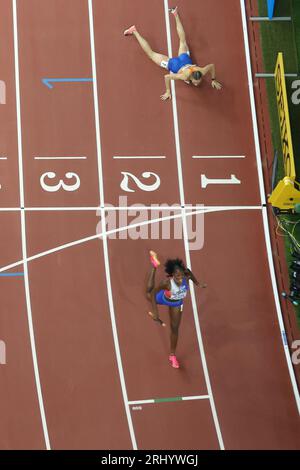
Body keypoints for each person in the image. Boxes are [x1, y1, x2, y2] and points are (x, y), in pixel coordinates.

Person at [124, 6, 222, 101]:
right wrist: (168, 91)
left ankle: (175, 13)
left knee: (183, 41)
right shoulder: (184, 76)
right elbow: (167, 77)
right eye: (196, 82)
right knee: (151, 54)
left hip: (185, 59)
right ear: (191, 77)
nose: (197, 84)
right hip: (174, 64)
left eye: (198, 81)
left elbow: (211, 66)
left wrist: (213, 79)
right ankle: (134, 31)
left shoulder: (202, 71)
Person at [146, 251, 206, 369]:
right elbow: (153, 294)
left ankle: (172, 355)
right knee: (148, 294)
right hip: (163, 297)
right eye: (177, 276)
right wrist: (156, 312)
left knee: (175, 329)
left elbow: (190, 274)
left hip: (176, 304)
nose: (180, 278)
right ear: (172, 275)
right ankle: (154, 266)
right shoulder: (166, 283)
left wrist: (198, 284)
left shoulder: (186, 273)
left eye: (181, 276)